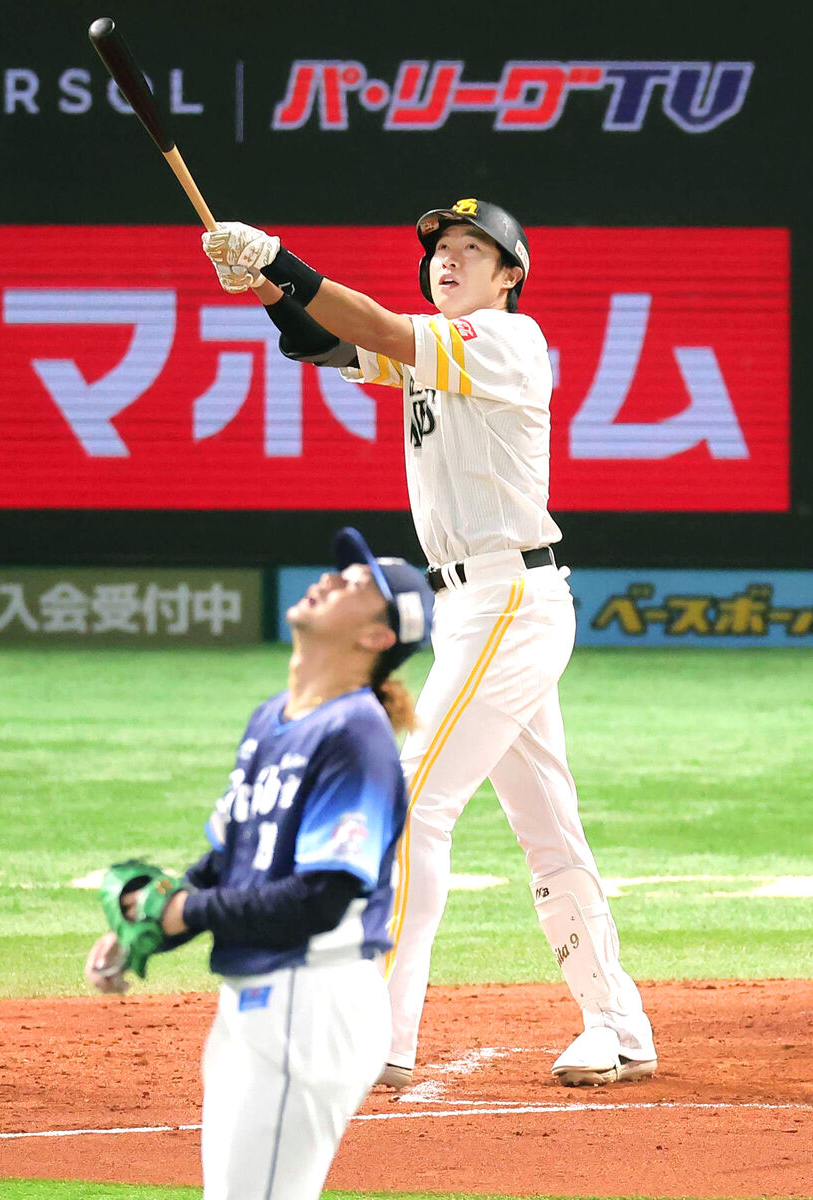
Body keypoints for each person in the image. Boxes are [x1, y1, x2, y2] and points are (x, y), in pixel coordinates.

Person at [198, 199, 658, 1090]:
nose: (449, 258)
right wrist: (264, 287)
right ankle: (618, 1024)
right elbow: (328, 344)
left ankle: (378, 1033)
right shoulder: (433, 348)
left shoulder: (506, 339)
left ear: (509, 275)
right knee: (547, 828)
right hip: (476, 608)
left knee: (411, 804)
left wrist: (280, 258)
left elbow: (372, 325)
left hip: (509, 598)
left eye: (472, 248)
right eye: (442, 247)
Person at [84, 527, 434, 1200]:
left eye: (357, 584)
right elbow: (229, 860)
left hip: (312, 999)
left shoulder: (355, 735)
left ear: (378, 636)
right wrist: (149, 928)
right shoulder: (271, 719)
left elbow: (319, 898)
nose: (331, 580)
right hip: (258, 996)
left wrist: (185, 910)